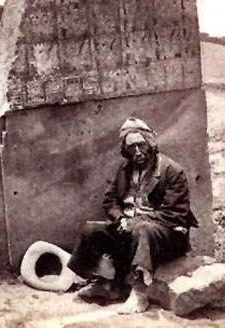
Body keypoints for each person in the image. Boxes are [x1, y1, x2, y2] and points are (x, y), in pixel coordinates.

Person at [66, 117, 198, 314]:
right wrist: (120, 219)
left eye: (141, 145)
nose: (137, 151)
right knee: (91, 230)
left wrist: (135, 222)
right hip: (130, 228)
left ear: (150, 143)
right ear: (125, 149)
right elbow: (109, 201)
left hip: (165, 235)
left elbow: (174, 214)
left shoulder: (172, 171)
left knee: (143, 230)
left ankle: (139, 294)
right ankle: (107, 284)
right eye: (132, 147)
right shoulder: (125, 169)